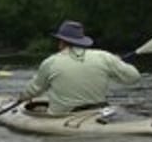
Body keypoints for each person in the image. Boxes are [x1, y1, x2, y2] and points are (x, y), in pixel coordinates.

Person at [7, 20, 140, 119]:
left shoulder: (51, 62)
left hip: (64, 117)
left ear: (61, 42)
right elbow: (134, 77)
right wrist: (117, 62)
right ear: (81, 41)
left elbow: (33, 90)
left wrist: (21, 98)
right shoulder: (104, 56)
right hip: (99, 112)